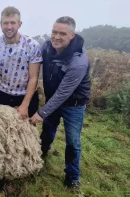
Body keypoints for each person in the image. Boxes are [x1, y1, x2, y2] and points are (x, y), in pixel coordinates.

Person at [30, 16, 91, 191]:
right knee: (48, 131)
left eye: (62, 34)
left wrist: (41, 113)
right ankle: (40, 156)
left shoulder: (78, 61)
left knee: (72, 141)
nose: (56, 37)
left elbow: (63, 93)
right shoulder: (47, 47)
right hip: (52, 99)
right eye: (54, 32)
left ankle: (72, 178)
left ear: (72, 35)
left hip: (74, 105)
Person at [0, 6, 42, 119]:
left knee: (26, 133)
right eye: (5, 23)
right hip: (2, 94)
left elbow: (33, 78)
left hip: (25, 95)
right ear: (0, 24)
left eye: (13, 23)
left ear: (19, 24)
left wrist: (25, 105)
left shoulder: (32, 45)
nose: (9, 27)